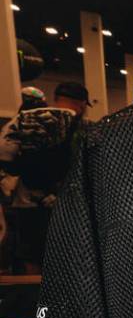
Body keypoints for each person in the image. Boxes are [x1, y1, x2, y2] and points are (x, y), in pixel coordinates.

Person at [0, 81, 89, 272]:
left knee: (32, 255)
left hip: (28, 204)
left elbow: (5, 155)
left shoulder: (23, 119)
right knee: (67, 257)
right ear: (82, 104)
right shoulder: (84, 127)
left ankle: (37, 298)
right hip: (68, 206)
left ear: (55, 99)